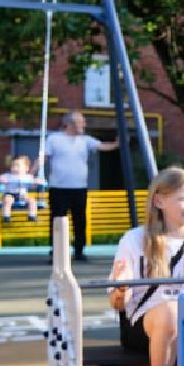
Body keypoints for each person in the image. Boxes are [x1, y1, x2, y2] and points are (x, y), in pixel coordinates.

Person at [107, 167, 184, 366]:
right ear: (159, 201)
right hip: (144, 325)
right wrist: (123, 287)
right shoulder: (135, 239)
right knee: (172, 311)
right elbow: (118, 305)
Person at [43, 111, 120, 261]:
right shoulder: (54, 139)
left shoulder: (85, 140)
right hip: (58, 187)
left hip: (79, 187)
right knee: (57, 220)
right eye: (80, 122)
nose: (84, 125)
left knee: (80, 219)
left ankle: (79, 250)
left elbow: (103, 147)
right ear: (69, 124)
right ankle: (56, 251)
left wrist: (117, 144)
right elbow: (44, 157)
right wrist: (33, 173)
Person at [0, 154, 43, 222]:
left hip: (23, 195)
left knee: (32, 201)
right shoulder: (8, 175)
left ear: (26, 168)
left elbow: (34, 185)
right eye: (13, 165)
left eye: (18, 165)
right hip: (10, 194)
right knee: (7, 200)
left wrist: (37, 182)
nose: (15, 168)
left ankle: (32, 215)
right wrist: (0, 179)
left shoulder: (28, 177)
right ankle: (6, 216)